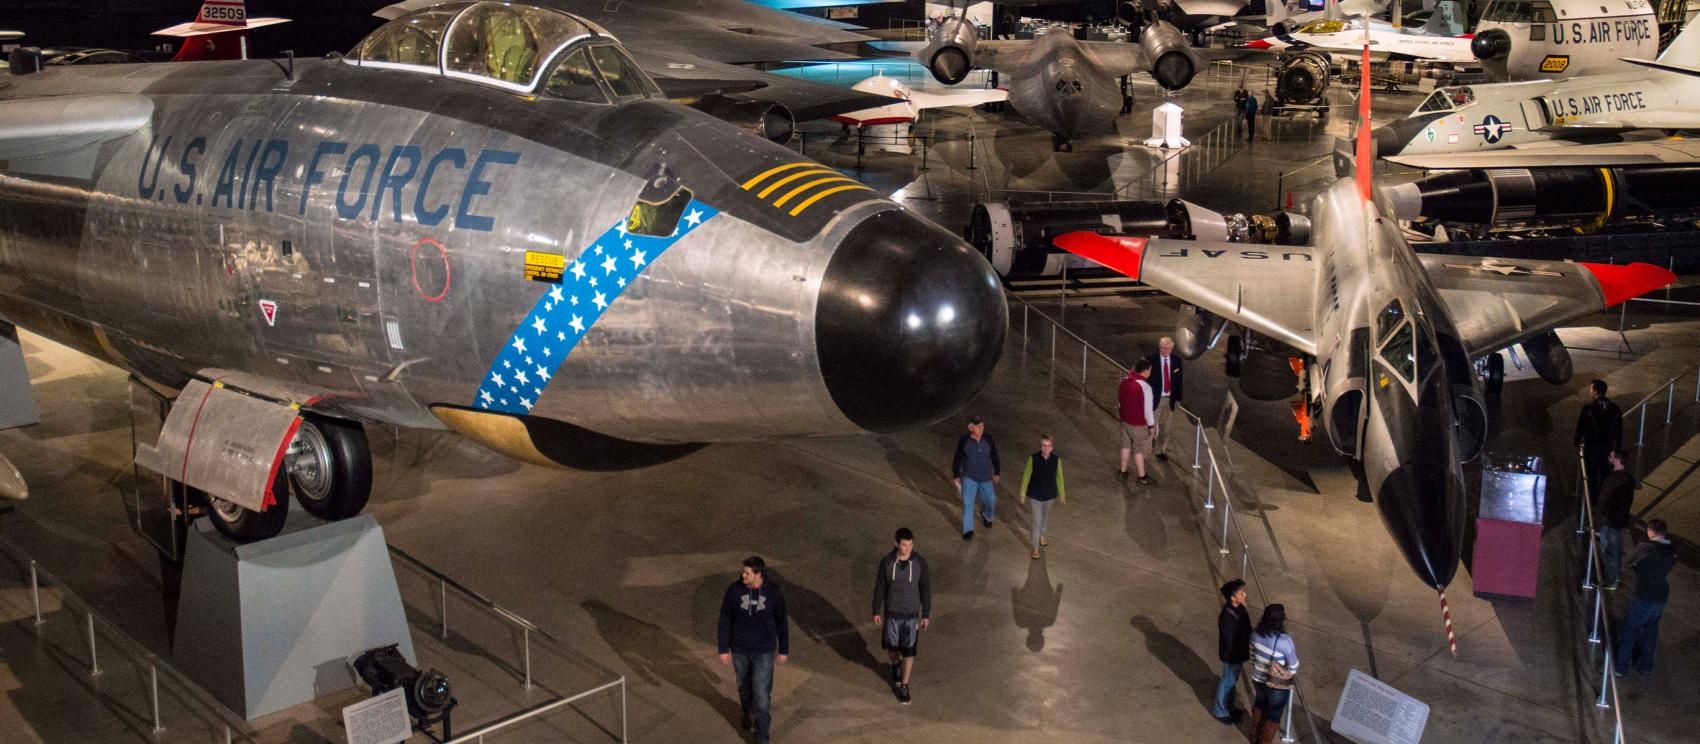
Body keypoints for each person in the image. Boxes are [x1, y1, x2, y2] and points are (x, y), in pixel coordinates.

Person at [717, 556, 789, 743]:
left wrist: (784, 649)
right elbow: (725, 618)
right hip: (740, 650)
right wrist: (723, 648)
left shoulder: (773, 593)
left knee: (761, 693)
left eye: (747, 573)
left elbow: (782, 622)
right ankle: (748, 713)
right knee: (743, 687)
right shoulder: (734, 590)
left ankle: (763, 733)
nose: (743, 575)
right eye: (743, 572)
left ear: (758, 574)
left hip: (763, 651)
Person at [873, 527, 932, 704]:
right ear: (896, 544)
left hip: (911, 616)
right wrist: (876, 609)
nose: (908, 548)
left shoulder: (920, 563)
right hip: (892, 615)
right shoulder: (887, 562)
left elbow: (925, 588)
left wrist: (926, 613)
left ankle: (904, 685)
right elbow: (880, 587)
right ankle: (896, 664)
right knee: (892, 649)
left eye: (911, 544)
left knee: (909, 651)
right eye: (904, 545)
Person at [1615, 519, 1675, 676]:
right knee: (1651, 630)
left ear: (1651, 531)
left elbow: (1627, 562)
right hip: (1661, 595)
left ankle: (1621, 667)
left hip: (1644, 594)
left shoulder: (1645, 548)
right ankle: (1645, 665)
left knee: (1630, 630)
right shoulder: (1671, 549)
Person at [1248, 604, 1299, 744]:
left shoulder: (1255, 634)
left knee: (1259, 704)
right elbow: (1294, 667)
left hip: (1258, 678)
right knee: (1274, 714)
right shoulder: (1285, 641)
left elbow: (1252, 657)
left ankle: (1254, 735)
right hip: (1277, 684)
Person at [952, 415, 1001, 540]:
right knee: (968, 504)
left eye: (982, 425)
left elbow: (994, 455)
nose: (981, 428)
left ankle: (986, 515)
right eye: (978, 426)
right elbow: (957, 457)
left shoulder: (988, 439)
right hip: (970, 477)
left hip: (985, 478)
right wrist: (956, 475)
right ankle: (968, 531)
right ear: (970, 427)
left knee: (991, 500)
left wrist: (997, 472)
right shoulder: (964, 440)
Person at [1019, 435, 1067, 559]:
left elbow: (1059, 477)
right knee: (1036, 521)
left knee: (1044, 518)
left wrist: (1062, 494)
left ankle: (1042, 534)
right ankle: (1035, 548)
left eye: (1048, 446)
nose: (1045, 448)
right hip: (1035, 495)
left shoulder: (1056, 460)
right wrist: (1022, 493)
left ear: (1052, 447)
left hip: (1049, 495)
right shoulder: (1033, 459)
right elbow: (1026, 476)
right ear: (1041, 446)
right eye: (1043, 446)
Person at [1575, 379, 1623, 501]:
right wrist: (1617, 447)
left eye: (1591, 389)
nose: (1589, 391)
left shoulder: (1588, 408)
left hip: (1591, 447)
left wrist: (1577, 442)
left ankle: (1591, 498)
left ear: (1595, 390)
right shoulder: (1615, 409)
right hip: (1607, 446)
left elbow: (1581, 427)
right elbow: (1619, 431)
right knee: (1605, 473)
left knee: (1590, 473)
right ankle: (1603, 497)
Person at [1595, 450, 1636, 590]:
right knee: (1617, 550)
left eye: (1611, 457)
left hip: (1609, 521)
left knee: (1608, 552)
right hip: (1621, 521)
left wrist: (1597, 524)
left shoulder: (1612, 480)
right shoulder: (1628, 478)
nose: (1609, 458)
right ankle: (1616, 576)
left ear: (1616, 460)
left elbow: (1602, 502)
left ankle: (1610, 580)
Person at [1213, 579, 1252, 723]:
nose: (1245, 594)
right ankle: (1220, 710)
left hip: (1237, 654)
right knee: (1227, 681)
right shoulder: (1227, 616)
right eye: (1241, 593)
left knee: (1231, 681)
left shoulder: (1239, 608)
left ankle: (1229, 707)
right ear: (1232, 597)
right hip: (1232, 656)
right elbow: (1229, 640)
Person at [1118, 360, 1158, 486]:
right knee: (1139, 450)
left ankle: (1122, 472)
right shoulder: (1145, 387)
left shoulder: (1125, 381)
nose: (1150, 372)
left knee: (1125, 447)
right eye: (1150, 370)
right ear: (1145, 371)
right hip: (1138, 424)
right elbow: (1148, 410)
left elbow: (1120, 400)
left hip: (1125, 421)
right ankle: (1142, 476)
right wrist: (1151, 426)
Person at [1145, 337, 1185, 462]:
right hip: (1155, 399)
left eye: (1168, 348)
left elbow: (1179, 381)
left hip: (1169, 400)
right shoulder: (1151, 360)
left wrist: (1178, 398)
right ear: (1159, 347)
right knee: (1150, 426)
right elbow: (1145, 380)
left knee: (1165, 427)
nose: (1166, 351)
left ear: (1172, 348)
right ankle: (1144, 449)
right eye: (1163, 348)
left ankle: (1160, 450)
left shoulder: (1176, 361)